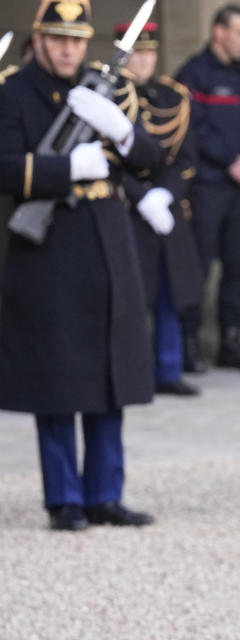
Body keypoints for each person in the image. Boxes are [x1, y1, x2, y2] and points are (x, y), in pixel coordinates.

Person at [0, 0, 161, 530]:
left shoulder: (107, 88)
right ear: (40, 39)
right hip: (49, 250)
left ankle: (105, 493)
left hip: (106, 244)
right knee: (57, 379)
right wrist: (64, 167)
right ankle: (64, 498)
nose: (69, 48)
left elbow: (150, 158)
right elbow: (4, 165)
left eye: (76, 39)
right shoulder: (14, 92)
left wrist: (121, 131)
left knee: (108, 375)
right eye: (58, 38)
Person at [176, 3, 240, 372]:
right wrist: (232, 160)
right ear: (219, 32)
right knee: (197, 266)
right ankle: (187, 344)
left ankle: (231, 341)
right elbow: (194, 128)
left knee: (239, 265)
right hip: (207, 187)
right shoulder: (193, 74)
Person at [119, 20, 204, 397]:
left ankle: (168, 368)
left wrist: (165, 196)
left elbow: (185, 157)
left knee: (171, 292)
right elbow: (109, 160)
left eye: (150, 52)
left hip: (167, 209)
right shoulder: (110, 97)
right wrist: (140, 197)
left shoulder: (173, 97)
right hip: (126, 211)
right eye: (137, 52)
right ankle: (133, 371)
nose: (144, 60)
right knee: (132, 296)